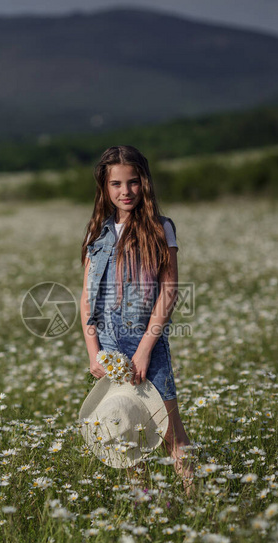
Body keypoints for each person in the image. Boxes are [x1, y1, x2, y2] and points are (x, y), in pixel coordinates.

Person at [80, 145, 195, 493]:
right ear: (104, 187)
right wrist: (93, 352)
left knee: (171, 433)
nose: (125, 191)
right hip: (109, 350)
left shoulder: (161, 228)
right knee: (128, 436)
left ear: (144, 182)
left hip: (147, 345)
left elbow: (169, 293)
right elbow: (87, 298)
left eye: (132, 182)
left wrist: (145, 349)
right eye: (116, 184)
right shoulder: (96, 233)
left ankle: (199, 505)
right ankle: (150, 512)